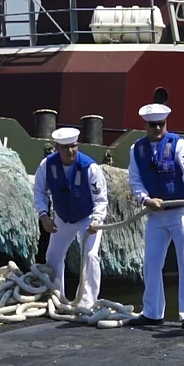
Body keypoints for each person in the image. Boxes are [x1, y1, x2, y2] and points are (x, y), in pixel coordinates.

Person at [128, 103, 184, 328]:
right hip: (156, 214)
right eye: (153, 125)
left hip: (182, 212)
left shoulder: (179, 145)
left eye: (161, 124)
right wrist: (145, 199)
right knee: (151, 263)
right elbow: (135, 180)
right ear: (145, 125)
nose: (157, 128)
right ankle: (152, 312)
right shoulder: (137, 149)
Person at [34, 126, 108, 308]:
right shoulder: (47, 166)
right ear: (57, 148)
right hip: (63, 217)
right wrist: (44, 215)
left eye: (73, 146)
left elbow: (100, 198)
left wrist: (97, 220)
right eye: (65, 147)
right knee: (53, 255)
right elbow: (39, 192)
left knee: (90, 255)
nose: (70, 151)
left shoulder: (89, 167)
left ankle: (88, 301)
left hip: (87, 216)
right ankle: (55, 296)